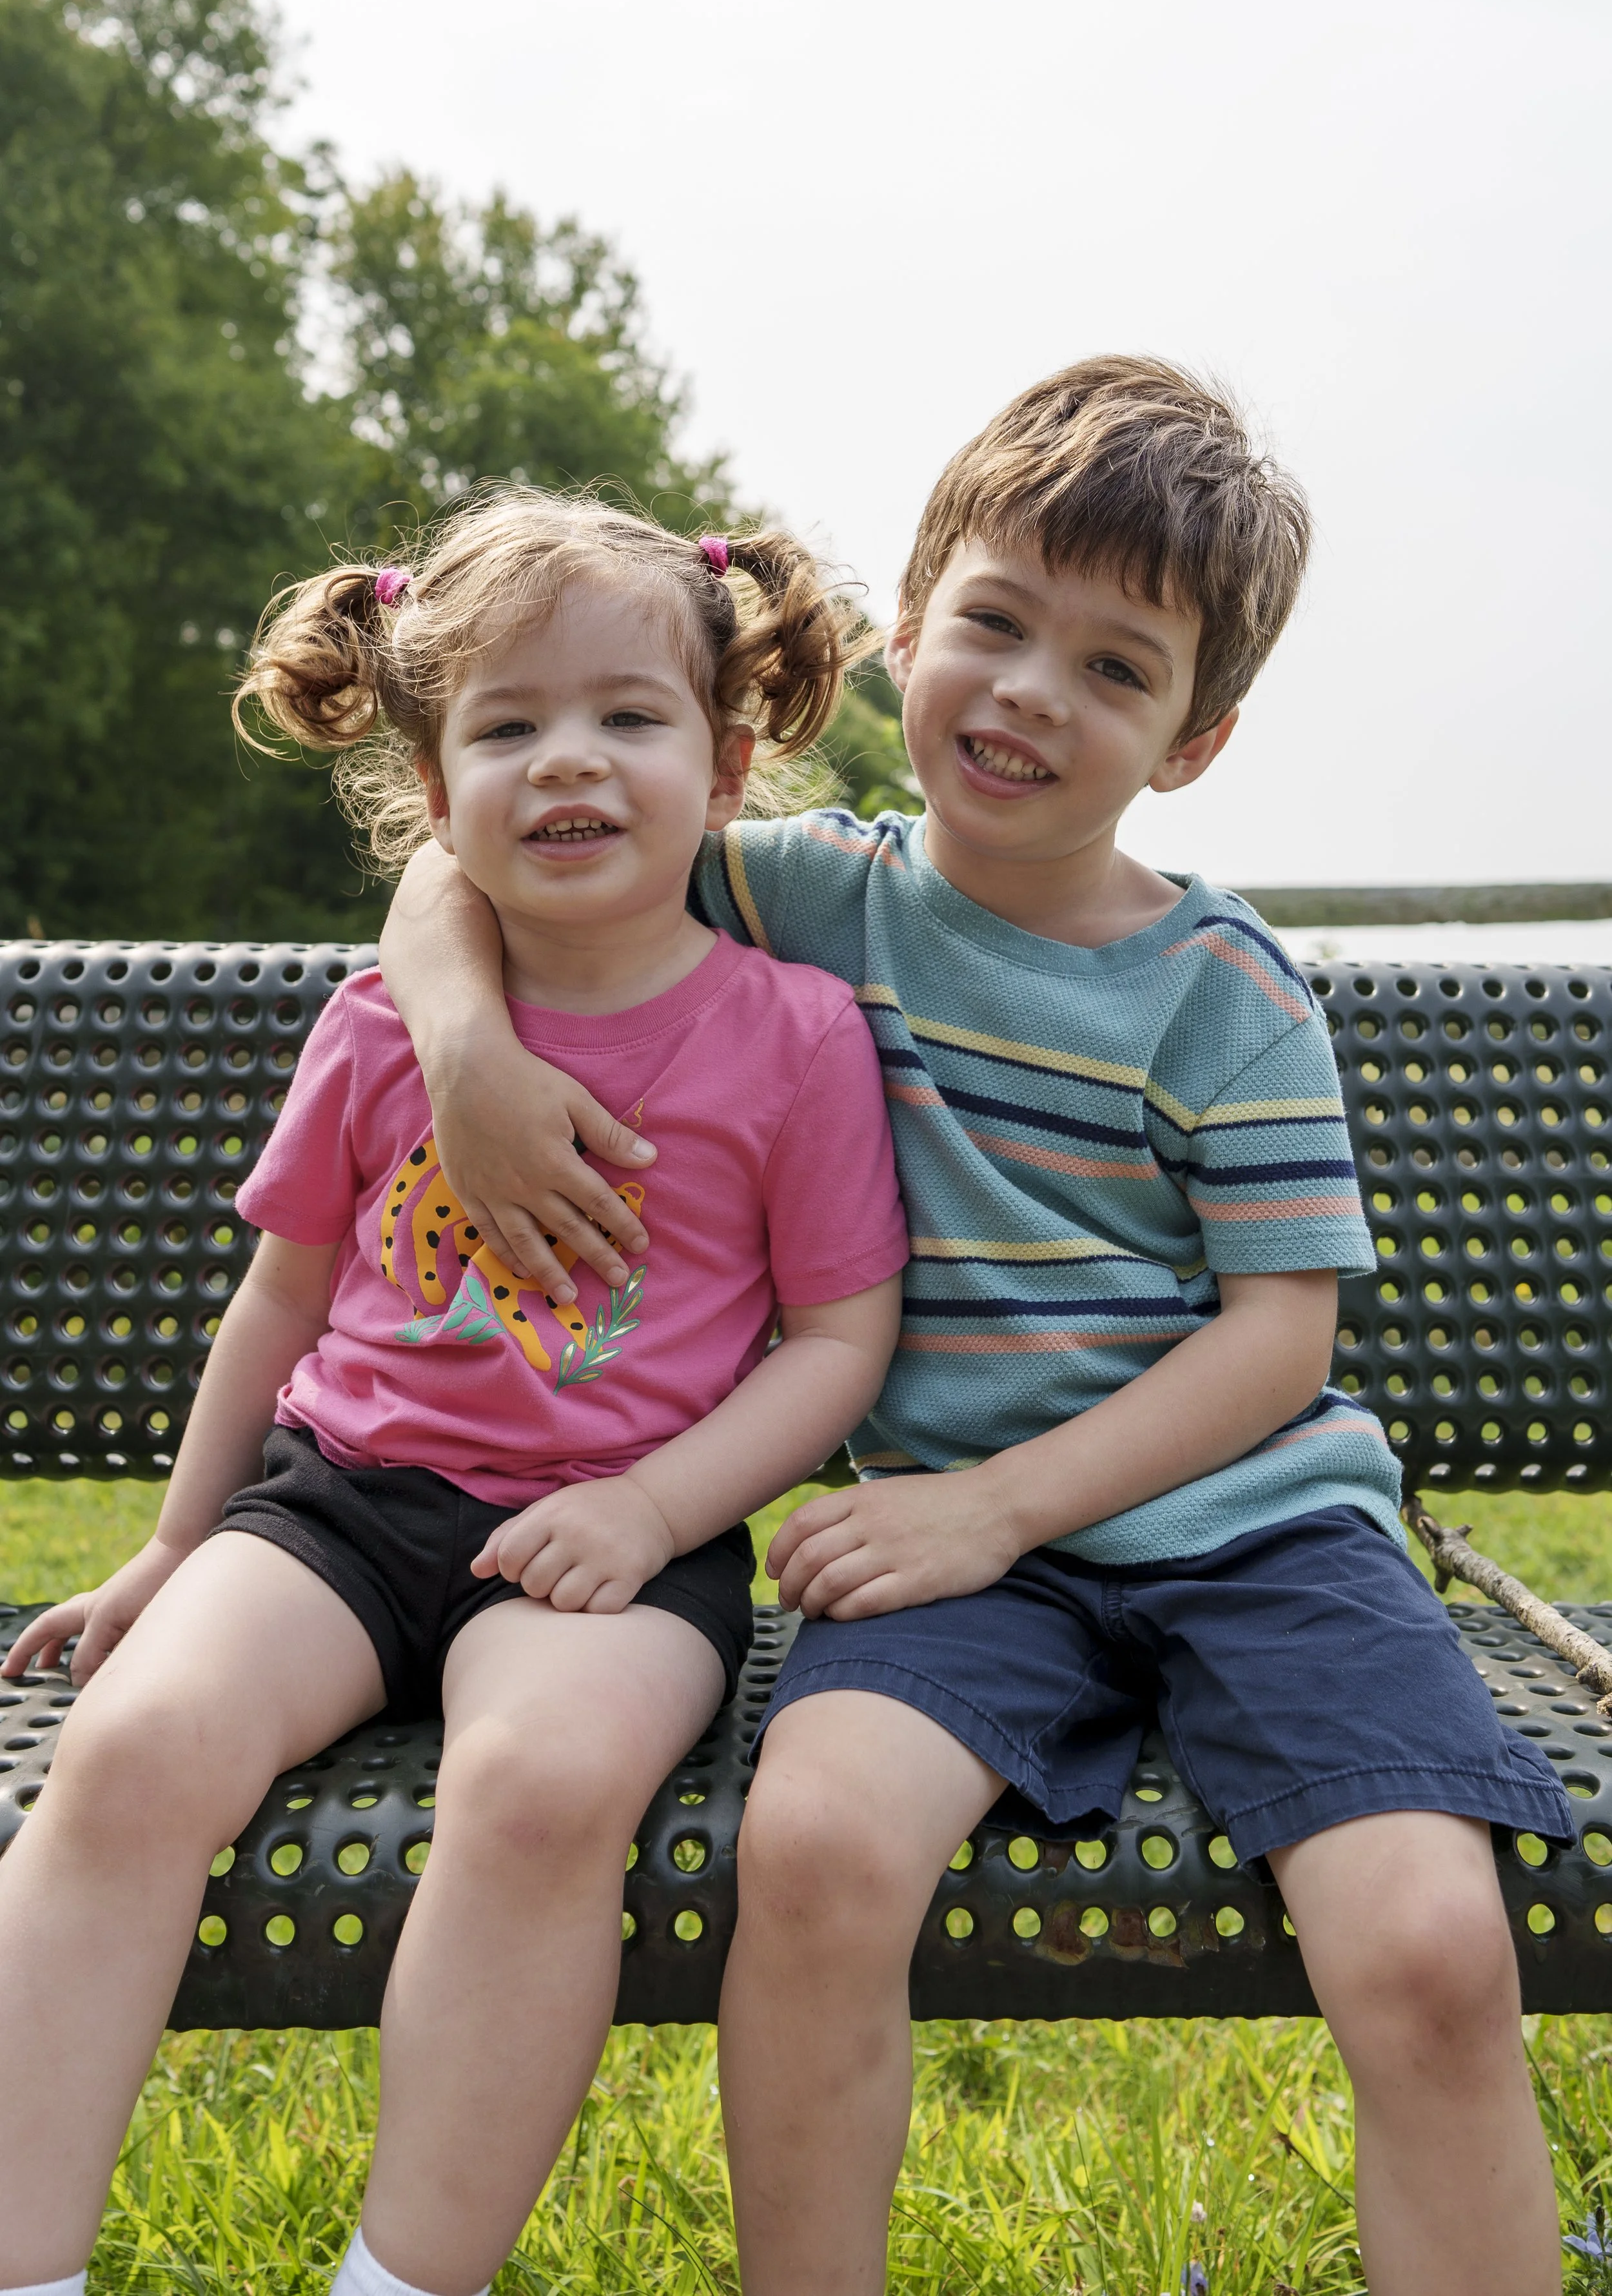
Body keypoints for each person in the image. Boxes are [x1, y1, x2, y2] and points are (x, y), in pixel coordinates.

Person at [375, 358, 1573, 2296]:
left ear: (1192, 738)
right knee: (820, 1853)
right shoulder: (803, 892)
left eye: (1115, 668)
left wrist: (1001, 1502)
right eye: (996, 623)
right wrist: (460, 1047)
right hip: (950, 1559)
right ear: (904, 627)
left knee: (1429, 1943)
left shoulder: (1223, 993)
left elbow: (1280, 1337)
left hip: (1251, 1534)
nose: (1028, 691)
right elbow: (456, 852)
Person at [0, 495, 907, 2296]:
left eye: (626, 717)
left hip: (619, 1540)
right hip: (339, 1503)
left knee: (541, 1785)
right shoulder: (376, 1025)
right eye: (507, 725)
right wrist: (181, 1543)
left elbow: (837, 1341)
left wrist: (653, 1510)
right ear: (434, 791)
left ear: (723, 767)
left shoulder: (791, 1036)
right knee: (127, 1750)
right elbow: (286, 1294)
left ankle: (403, 2278)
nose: (567, 759)